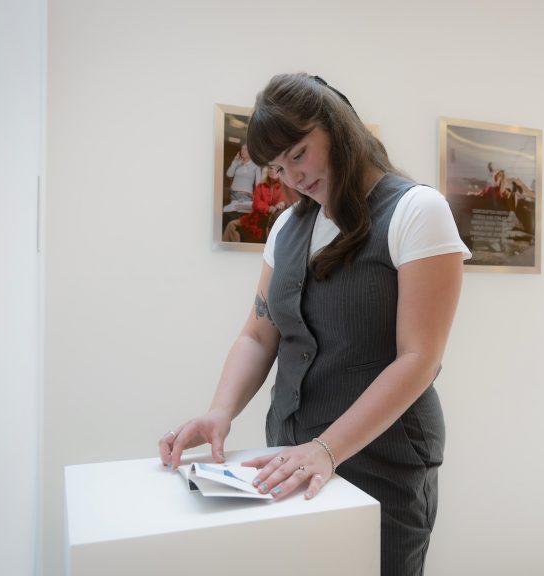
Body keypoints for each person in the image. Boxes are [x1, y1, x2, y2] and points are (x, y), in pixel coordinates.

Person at [160, 73, 470, 575]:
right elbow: (259, 333)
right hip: (290, 458)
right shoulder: (287, 227)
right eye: (279, 167)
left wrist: (328, 449)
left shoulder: (416, 211)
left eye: (299, 154)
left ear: (338, 128)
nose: (293, 178)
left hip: (381, 462)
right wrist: (220, 412)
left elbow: (420, 358)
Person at [222, 165, 294, 243]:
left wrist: (283, 203)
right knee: (231, 225)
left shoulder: (285, 187)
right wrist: (268, 208)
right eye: (270, 168)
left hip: (272, 221)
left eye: (276, 169)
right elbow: (256, 203)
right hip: (256, 219)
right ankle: (231, 252)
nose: (272, 170)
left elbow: (289, 201)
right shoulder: (261, 186)